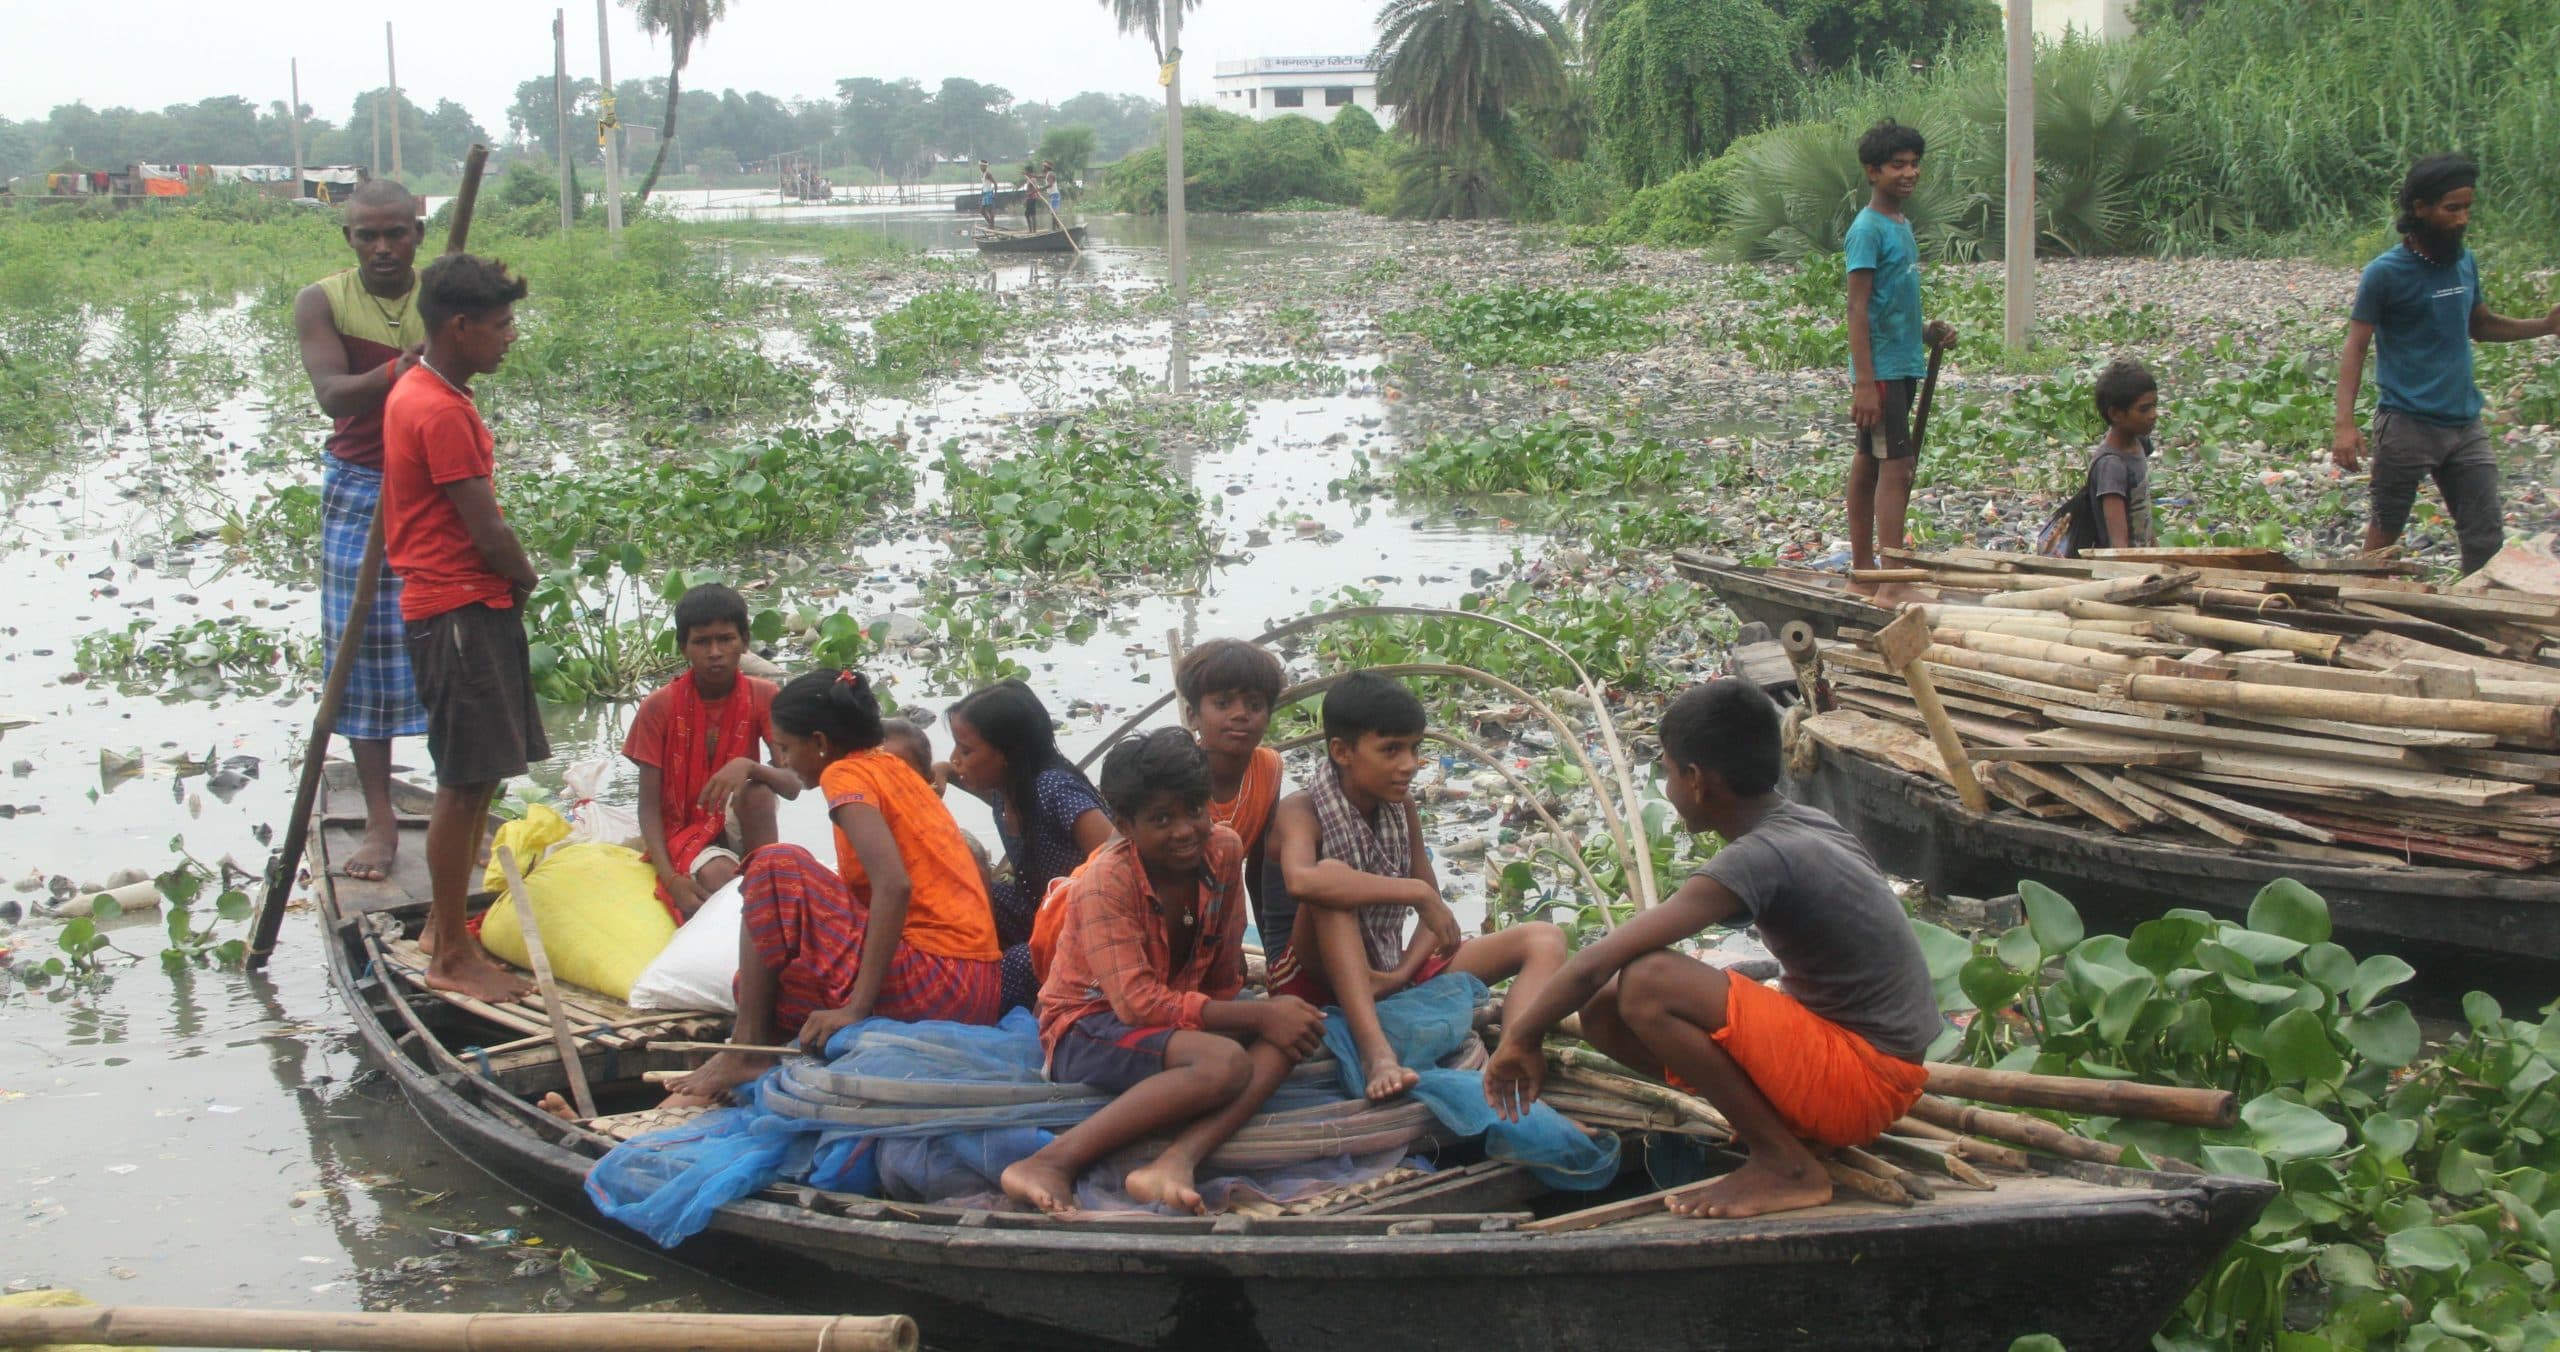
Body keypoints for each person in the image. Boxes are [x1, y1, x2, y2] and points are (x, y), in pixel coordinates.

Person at [1483, 680, 1940, 1221]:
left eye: (1671, 772)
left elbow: (1598, 958)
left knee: (1650, 980)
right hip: (1861, 1066)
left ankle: (1786, 1164)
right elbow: (1598, 982)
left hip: (1866, 1082)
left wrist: (1519, 1039)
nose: (1670, 788)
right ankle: (1780, 1131)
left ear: (1697, 781)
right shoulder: (1803, 823)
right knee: (1606, 1005)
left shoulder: (1762, 855)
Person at [1002, 729, 1328, 1217]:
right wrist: (1252, 1021)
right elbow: (1135, 1005)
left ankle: (1177, 1159)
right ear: (1126, 823)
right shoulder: (1104, 882)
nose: (1184, 831)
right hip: (1089, 1023)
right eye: (1161, 819)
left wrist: (1258, 1016)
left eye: (1194, 810)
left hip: (1171, 1017)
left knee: (1293, 1030)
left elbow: (1221, 972)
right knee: (1225, 1063)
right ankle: (1047, 1163)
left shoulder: (1223, 850)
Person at [666, 669, 1005, 1103]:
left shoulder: (844, 774)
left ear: (821, 743)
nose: (783, 762)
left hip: (938, 981)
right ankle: (728, 1075)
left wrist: (856, 1007)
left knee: (775, 864)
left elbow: (893, 885)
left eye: (786, 748)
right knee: (774, 984)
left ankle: (746, 1049)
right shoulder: (887, 764)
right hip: (976, 989)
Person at [1264, 672, 1567, 1102]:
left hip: (1387, 969)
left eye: (1414, 748)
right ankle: (1376, 1055)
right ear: (1341, 751)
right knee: (1331, 886)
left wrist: (1399, 974)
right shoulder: (1302, 809)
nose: (1408, 764)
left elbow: (1433, 912)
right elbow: (1303, 880)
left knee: (1545, 938)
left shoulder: (1400, 806)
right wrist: (1415, 894)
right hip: (1310, 976)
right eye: (1391, 750)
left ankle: (1515, 1051)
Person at [379, 253, 543, 1005]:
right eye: (502, 325)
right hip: (458, 610)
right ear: (461, 326)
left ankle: (439, 931)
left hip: (455, 607)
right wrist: (526, 574)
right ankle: (449, 951)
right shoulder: (439, 409)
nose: (510, 337)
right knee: (462, 782)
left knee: (474, 783)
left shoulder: (418, 385)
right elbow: (485, 531)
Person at [2331, 154, 2560, 576]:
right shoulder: (2384, 274)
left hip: (2464, 424)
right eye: (2451, 209)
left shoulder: (2463, 263)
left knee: (2486, 537)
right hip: (2406, 424)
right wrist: (2345, 425)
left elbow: (2482, 325)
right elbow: (2356, 347)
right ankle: (2356, 602)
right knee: (2385, 532)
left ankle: (2481, 623)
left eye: (2467, 208)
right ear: (2420, 209)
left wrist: (2545, 326)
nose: (2461, 219)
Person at [293, 178, 430, 883]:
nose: (382, 246)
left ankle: (458, 802)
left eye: (395, 233)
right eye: (367, 235)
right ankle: (380, 819)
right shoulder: (323, 300)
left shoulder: (442, 292)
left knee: (455, 642)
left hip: (438, 480)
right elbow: (331, 395)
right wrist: (404, 368)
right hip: (361, 484)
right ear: (348, 239)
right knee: (361, 651)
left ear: (419, 232)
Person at [624, 583, 794, 920]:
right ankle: (758, 904)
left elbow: (792, 785)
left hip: (738, 822)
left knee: (758, 789)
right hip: (683, 830)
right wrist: (672, 880)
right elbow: (648, 807)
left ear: (744, 642)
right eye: (702, 642)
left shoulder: (764, 695)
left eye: (726, 639)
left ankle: (765, 873)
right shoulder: (658, 707)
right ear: (683, 647)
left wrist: (749, 765)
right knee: (720, 879)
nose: (715, 652)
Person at [946, 680, 1114, 1012]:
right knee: (962, 892)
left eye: (965, 751)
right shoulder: (1005, 789)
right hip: (1039, 909)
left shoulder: (1054, 790)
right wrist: (944, 774)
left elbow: (1118, 854)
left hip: (1085, 927)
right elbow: (957, 774)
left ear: (1007, 755)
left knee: (1005, 975)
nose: (955, 760)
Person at [1844, 119, 1957, 584]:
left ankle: (1866, 569)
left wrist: (1929, 332)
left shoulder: (1900, 225)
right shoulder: (1867, 229)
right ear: (1873, 171)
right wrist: (1865, 383)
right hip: (1883, 370)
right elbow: (1857, 307)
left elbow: (1893, 302)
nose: (1909, 173)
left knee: (1873, 461)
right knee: (1896, 466)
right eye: (1897, 165)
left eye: (1914, 164)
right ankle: (1886, 577)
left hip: (1901, 362)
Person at [1174, 639, 1287, 923]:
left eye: (1255, 705)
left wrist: (1272, 951)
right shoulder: (1173, 779)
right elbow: (1163, 881)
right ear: (1193, 716)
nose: (1240, 714)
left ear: (1268, 715)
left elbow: (1259, 870)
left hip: (1215, 912)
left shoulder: (1268, 767)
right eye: (1222, 703)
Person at [2039, 359, 2160, 558]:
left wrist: (2158, 553)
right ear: (2116, 414)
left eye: (2154, 405)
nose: (2154, 415)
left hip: (2144, 555)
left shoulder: (2140, 443)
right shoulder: (2111, 466)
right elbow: (2118, 542)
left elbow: (2143, 516)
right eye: (2144, 409)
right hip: (2128, 565)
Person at [977, 160, 1000, 229]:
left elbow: (995, 184)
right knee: (982, 211)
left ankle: (991, 226)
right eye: (980, 166)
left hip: (989, 193)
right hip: (985, 194)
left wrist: (995, 194)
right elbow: (984, 186)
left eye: (982, 166)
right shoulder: (983, 174)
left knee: (990, 211)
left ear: (985, 166)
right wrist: (981, 196)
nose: (981, 167)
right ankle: (990, 224)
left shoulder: (988, 174)